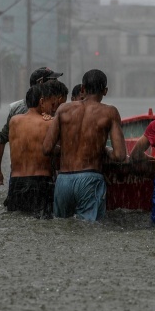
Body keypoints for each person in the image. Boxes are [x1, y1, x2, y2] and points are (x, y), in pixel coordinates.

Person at [42, 69, 126, 221]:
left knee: (62, 229)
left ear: (82, 88)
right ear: (105, 91)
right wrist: (105, 150)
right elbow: (120, 155)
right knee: (89, 233)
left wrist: (69, 150)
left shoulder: (63, 109)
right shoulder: (110, 112)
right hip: (90, 179)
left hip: (63, 181)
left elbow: (47, 148)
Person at [0, 67, 63, 186]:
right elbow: (1, 140)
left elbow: (1, 140)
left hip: (20, 178)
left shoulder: (17, 111)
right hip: (42, 179)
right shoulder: (21, 110)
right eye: (53, 81)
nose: (57, 84)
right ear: (41, 83)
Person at [4, 83, 65, 218]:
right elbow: (62, 150)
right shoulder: (49, 123)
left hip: (16, 183)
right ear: (41, 102)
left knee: (18, 222)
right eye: (52, 104)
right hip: (40, 183)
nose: (53, 108)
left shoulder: (14, 122)